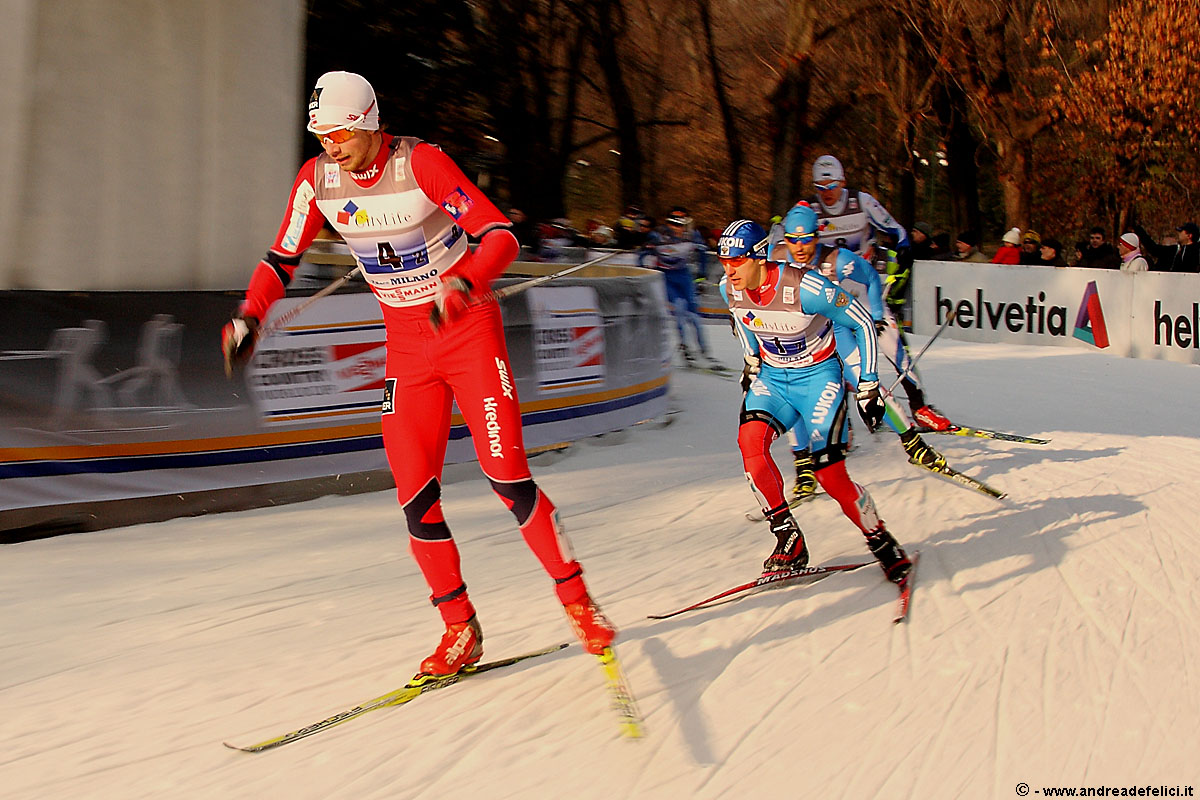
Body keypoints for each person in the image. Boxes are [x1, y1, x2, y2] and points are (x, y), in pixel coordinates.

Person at [221, 71, 615, 678]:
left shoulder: (421, 163)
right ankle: (460, 630)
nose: (333, 145)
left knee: (508, 478)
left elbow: (499, 237)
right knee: (414, 496)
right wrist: (250, 313)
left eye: (343, 132)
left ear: (370, 123)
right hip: (407, 347)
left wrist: (463, 281)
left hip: (468, 332)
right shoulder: (317, 179)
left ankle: (578, 602)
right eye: (323, 134)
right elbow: (281, 257)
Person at [716, 218, 912, 583]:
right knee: (750, 446)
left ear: (759, 257)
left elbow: (861, 324)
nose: (729, 270)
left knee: (829, 474)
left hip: (818, 380)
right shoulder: (730, 288)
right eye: (723, 261)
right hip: (774, 380)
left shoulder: (806, 287)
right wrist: (751, 358)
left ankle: (881, 540)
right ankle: (788, 537)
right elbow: (742, 319)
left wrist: (868, 385)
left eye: (737, 261)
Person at [773, 203, 954, 501]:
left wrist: (878, 314)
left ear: (817, 237)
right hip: (801, 336)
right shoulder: (775, 256)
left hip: (837, 329)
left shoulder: (837, 260)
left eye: (806, 240)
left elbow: (870, 277)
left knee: (865, 383)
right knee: (794, 392)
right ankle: (804, 465)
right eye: (793, 239)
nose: (800, 247)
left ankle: (913, 443)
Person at [641, 211, 714, 366]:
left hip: (683, 275)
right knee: (680, 310)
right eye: (674, 225)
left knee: (694, 316)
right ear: (667, 224)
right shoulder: (657, 236)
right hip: (667, 277)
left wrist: (701, 276)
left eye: (680, 225)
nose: (677, 229)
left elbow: (703, 255)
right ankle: (685, 347)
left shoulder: (692, 235)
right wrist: (644, 265)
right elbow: (642, 254)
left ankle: (704, 351)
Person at [1133, 221, 1199, 273]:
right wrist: (1139, 230)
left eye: (1181, 231)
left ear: (1189, 235)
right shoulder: (1176, 250)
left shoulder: (1196, 252)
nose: (1179, 234)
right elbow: (1154, 249)